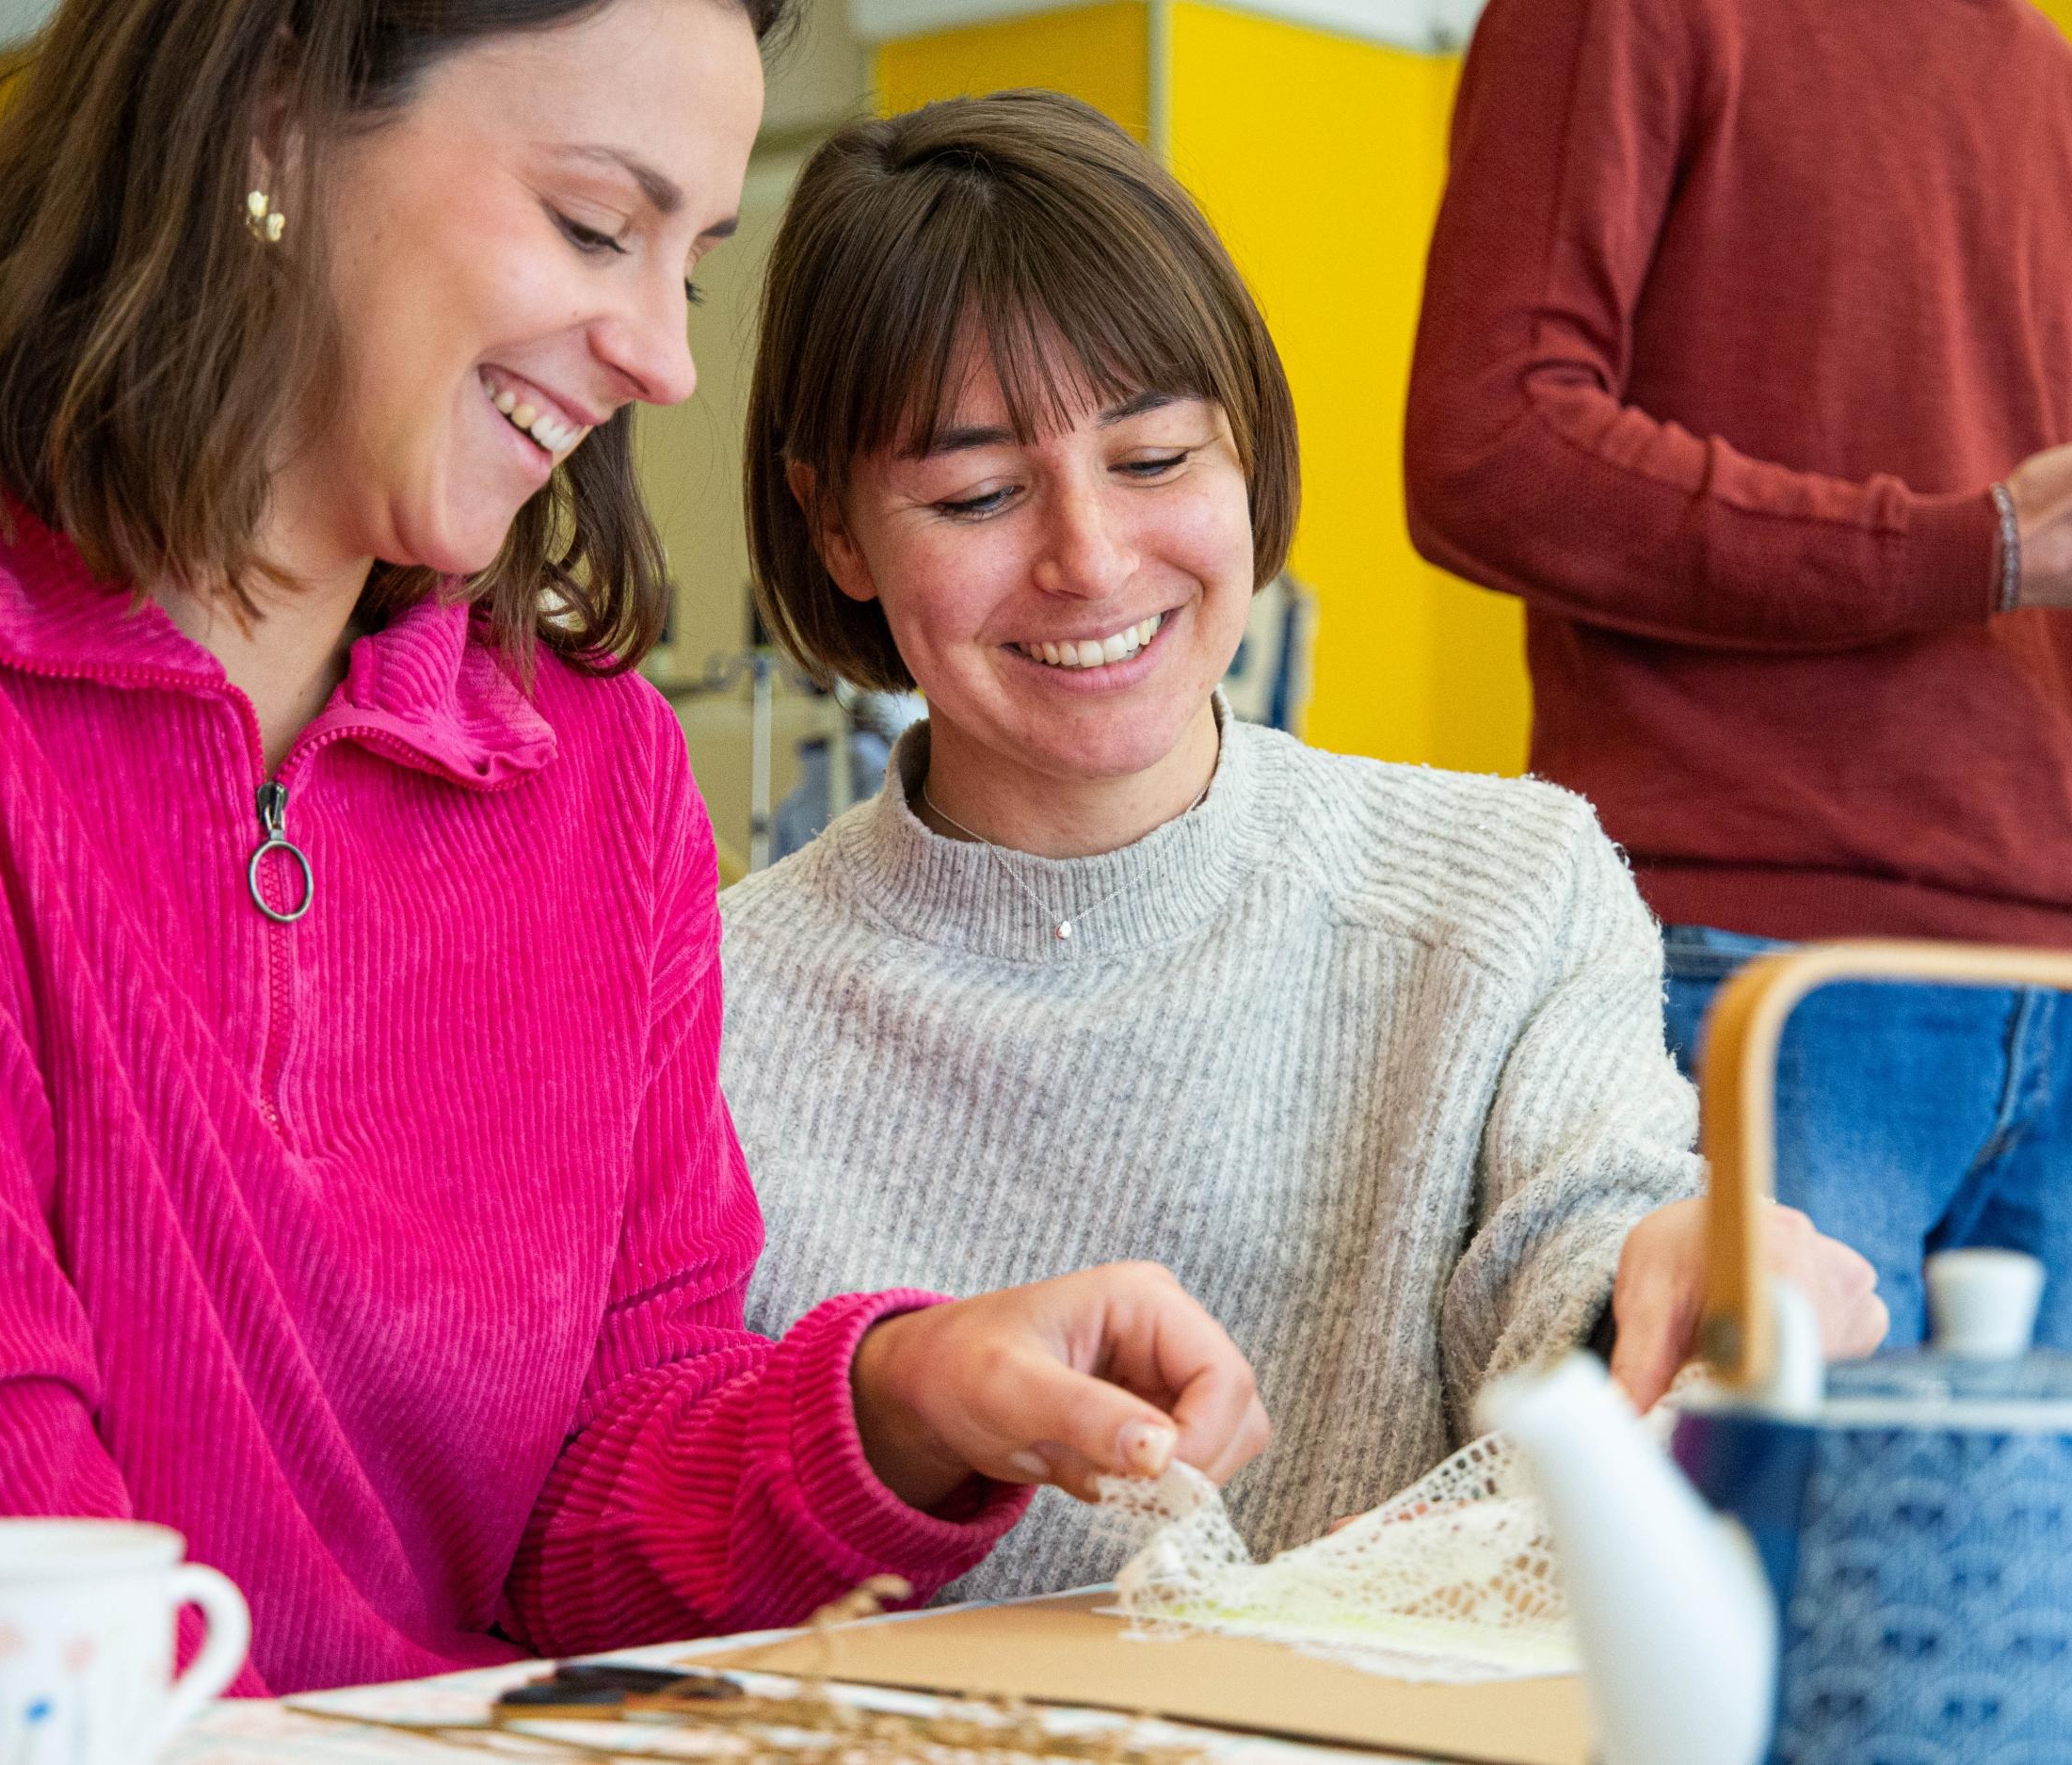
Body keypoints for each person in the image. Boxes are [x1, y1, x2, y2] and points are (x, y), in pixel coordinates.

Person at [0, 0, 1270, 1696]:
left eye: (690, 264)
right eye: (593, 227)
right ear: (272, 119)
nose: (664, 356)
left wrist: (906, 1400)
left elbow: (589, 1519)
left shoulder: (601, 773)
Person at [718, 89, 1887, 1602]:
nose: (1089, 559)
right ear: (835, 530)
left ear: (1249, 454)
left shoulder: (1505, 889)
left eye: (1154, 462)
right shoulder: (710, 999)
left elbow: (1583, 1223)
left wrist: (1674, 1275)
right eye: (979, 494)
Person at [1404, 0, 2072, 1352]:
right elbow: (1490, 453)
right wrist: (1972, 545)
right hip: (1757, 977)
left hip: (2055, 1016)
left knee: (1978, 1564)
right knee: (1756, 1555)